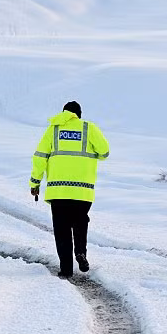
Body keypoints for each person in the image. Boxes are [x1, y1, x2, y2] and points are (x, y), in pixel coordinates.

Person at [30, 101, 110, 277]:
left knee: (62, 229)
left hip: (58, 192)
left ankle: (66, 269)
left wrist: (35, 183)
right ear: (79, 115)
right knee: (80, 221)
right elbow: (104, 152)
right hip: (83, 191)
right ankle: (80, 252)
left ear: (64, 113)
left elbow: (40, 157)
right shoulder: (89, 128)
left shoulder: (54, 129)